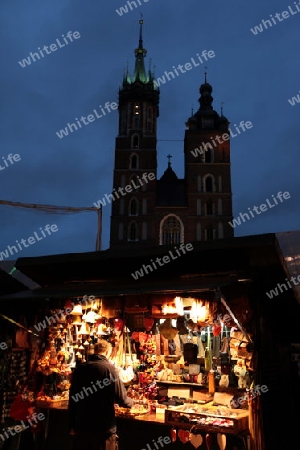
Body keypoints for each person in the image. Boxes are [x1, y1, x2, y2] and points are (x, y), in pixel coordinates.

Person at [68, 339, 133, 450]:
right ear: (107, 352)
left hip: (82, 428)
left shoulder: (80, 369)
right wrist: (132, 402)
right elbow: (122, 398)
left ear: (94, 351)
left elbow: (73, 399)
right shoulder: (110, 369)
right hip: (103, 430)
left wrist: (71, 424)